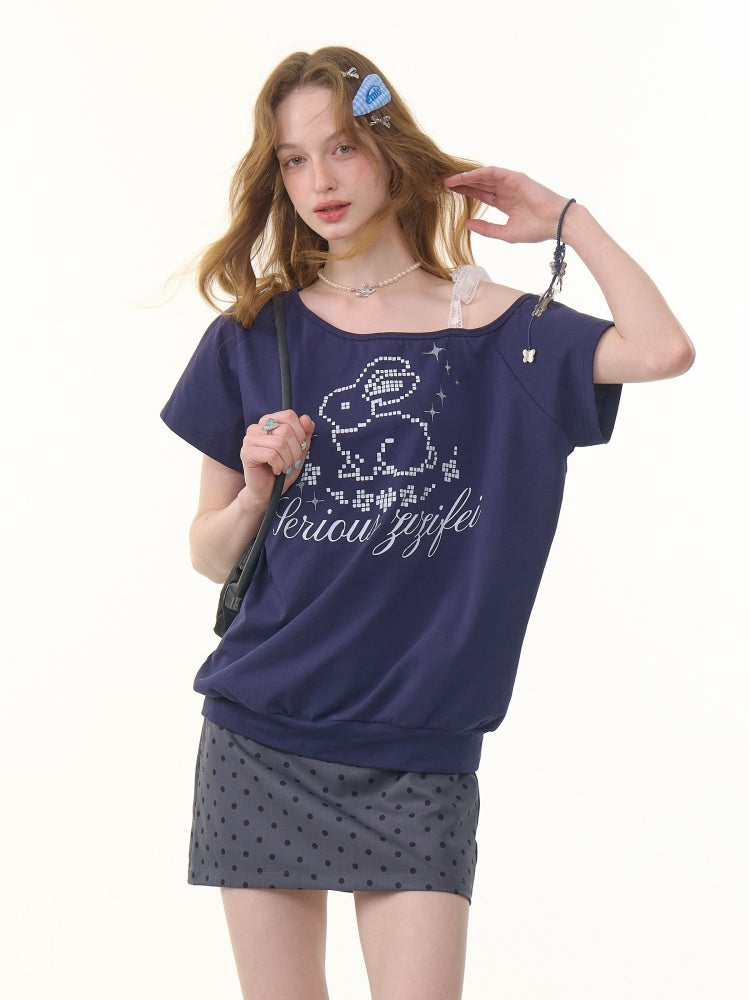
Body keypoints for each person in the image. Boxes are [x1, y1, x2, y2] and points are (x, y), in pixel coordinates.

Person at [161, 45, 694, 1000]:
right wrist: (252, 495)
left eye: (342, 148)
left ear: (389, 150)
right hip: (260, 731)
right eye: (293, 160)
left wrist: (568, 220)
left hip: (419, 752)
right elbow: (208, 556)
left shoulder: (505, 336)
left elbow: (661, 350)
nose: (320, 182)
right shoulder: (255, 333)